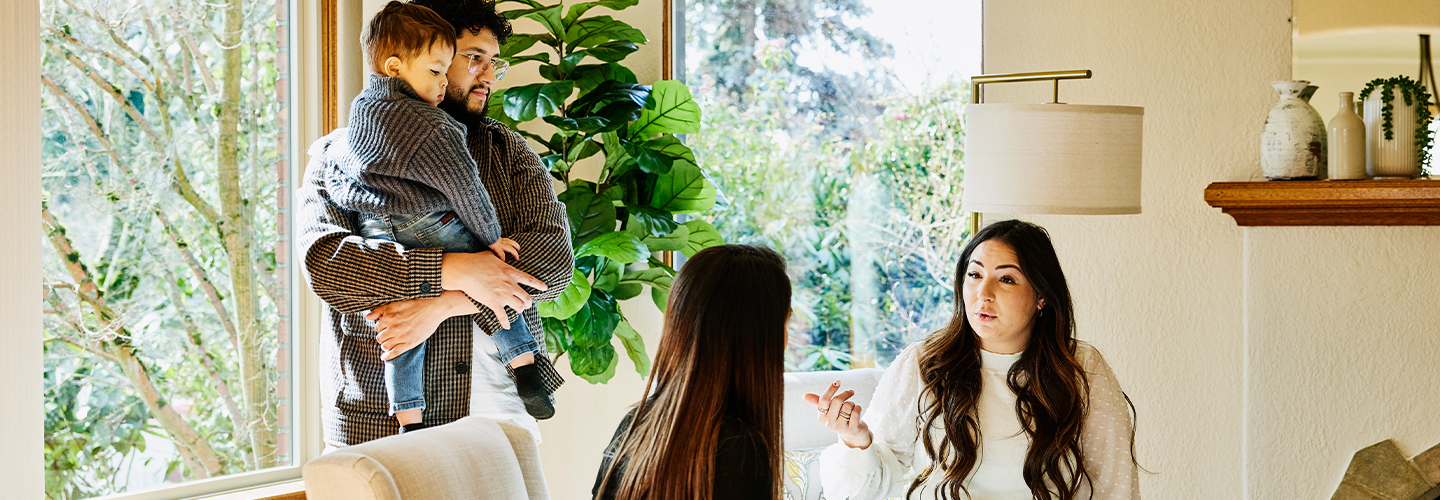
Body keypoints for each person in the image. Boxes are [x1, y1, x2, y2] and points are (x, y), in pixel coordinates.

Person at [298, 0, 573, 447]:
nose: (487, 75)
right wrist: (454, 269)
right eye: (472, 58)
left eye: (493, 62)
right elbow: (328, 266)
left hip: (499, 411)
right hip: (377, 422)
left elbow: (553, 263)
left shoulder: (508, 152)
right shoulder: (338, 154)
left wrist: (438, 305)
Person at [807, 220, 1140, 500]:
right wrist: (855, 438)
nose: (984, 293)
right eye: (974, 274)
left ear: (1041, 297)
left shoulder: (1080, 366)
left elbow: (1115, 486)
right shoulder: (925, 362)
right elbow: (869, 486)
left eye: (1007, 278)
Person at [592, 245, 790, 500]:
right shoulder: (740, 450)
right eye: (785, 324)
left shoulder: (635, 425)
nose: (786, 340)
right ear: (755, 339)